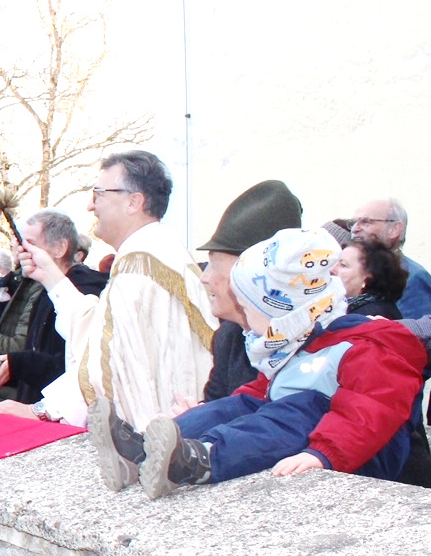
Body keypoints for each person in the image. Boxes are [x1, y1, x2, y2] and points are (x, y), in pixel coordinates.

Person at [89, 229, 426, 497]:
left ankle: (200, 459)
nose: (246, 321)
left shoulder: (366, 347)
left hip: (361, 454)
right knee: (243, 403)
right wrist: (211, 411)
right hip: (318, 434)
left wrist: (324, 454)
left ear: (285, 315)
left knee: (298, 408)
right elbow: (266, 389)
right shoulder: (303, 340)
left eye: (249, 310)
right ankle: (143, 452)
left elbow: (370, 412)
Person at [0, 151, 215, 430]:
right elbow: (103, 333)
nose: (91, 206)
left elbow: (111, 361)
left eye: (99, 194)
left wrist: (41, 411)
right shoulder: (156, 251)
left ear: (134, 202)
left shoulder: (141, 264)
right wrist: (49, 276)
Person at [0, 210, 107, 404]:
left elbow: (78, 368)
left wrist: (19, 363)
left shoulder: (84, 291)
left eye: (30, 244)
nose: (21, 252)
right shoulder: (40, 287)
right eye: (20, 244)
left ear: (60, 248)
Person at [196, 180, 303, 402]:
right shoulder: (229, 337)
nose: (204, 278)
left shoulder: (310, 344)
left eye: (215, 265)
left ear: (254, 275)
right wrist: (194, 416)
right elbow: (214, 403)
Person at [352, 198, 431, 318]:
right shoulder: (351, 270)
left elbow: (416, 328)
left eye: (366, 222)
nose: (355, 229)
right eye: (353, 223)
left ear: (394, 229)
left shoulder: (413, 277)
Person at [334, 239, 408, 319]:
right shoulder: (350, 306)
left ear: (368, 278)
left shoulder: (372, 316)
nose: (332, 269)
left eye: (343, 265)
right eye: (334, 262)